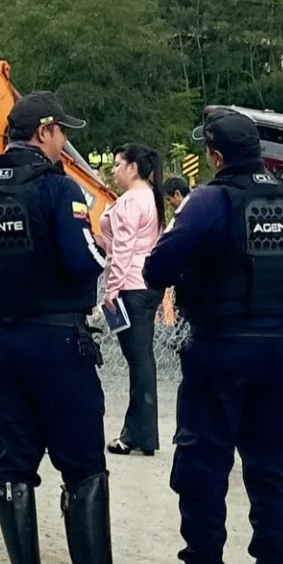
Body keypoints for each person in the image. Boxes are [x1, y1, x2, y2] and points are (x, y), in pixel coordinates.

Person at [0, 93, 144, 564]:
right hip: (58, 342)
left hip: (0, 345)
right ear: (45, 132)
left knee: (12, 465)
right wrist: (104, 250)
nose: (66, 145)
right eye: (62, 135)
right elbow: (83, 260)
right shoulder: (61, 189)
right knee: (82, 467)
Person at [144, 110, 283, 564]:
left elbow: (158, 268)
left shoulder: (210, 201)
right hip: (278, 352)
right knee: (270, 473)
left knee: (203, 472)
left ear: (216, 157)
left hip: (220, 350)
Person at [102, 145, 166, 456]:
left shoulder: (130, 201)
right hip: (147, 283)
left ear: (132, 168)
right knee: (142, 360)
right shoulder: (151, 197)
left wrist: (112, 288)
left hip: (131, 285)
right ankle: (141, 433)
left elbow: (124, 249)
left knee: (139, 360)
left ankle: (138, 433)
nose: (114, 171)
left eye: (117, 165)